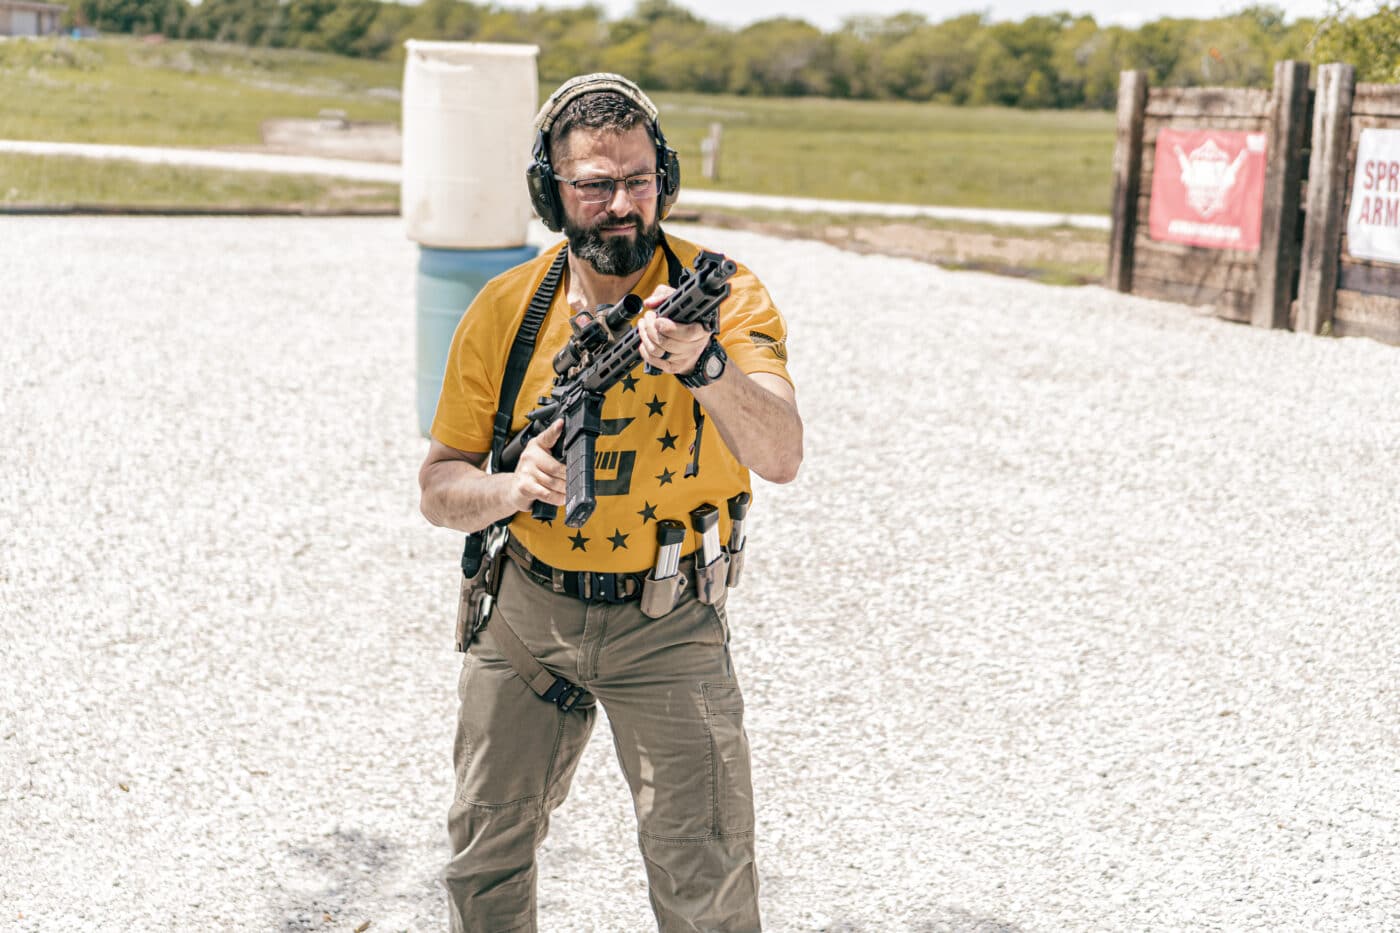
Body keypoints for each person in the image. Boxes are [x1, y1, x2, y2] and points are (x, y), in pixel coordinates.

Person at [418, 72, 803, 933]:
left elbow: (780, 453)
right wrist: (507, 489)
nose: (621, 203)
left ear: (664, 177)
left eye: (639, 179)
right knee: (485, 853)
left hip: (669, 623)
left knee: (705, 874)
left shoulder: (726, 294)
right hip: (526, 614)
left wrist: (705, 366)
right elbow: (439, 486)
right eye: (594, 184)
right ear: (550, 193)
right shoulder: (505, 312)